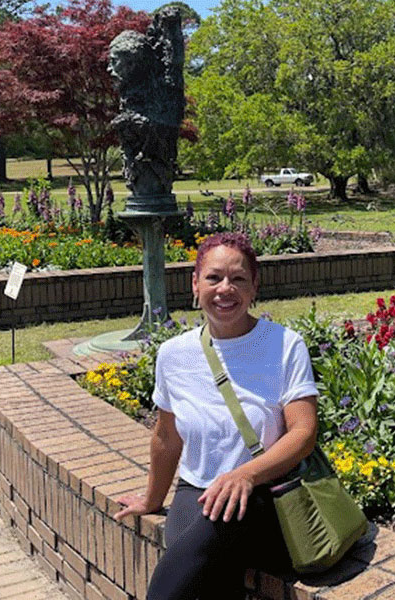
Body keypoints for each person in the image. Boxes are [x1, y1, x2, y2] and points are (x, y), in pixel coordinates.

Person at [114, 232, 319, 600]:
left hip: (262, 493)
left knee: (197, 556)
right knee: (207, 573)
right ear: (195, 284)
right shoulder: (173, 354)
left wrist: (245, 474)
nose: (226, 289)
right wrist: (151, 500)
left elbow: (303, 433)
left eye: (238, 279)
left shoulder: (285, 345)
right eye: (214, 278)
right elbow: (166, 437)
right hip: (197, 492)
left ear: (254, 286)